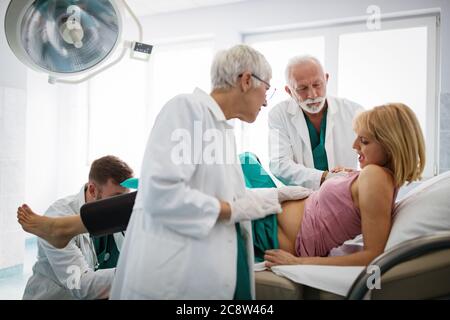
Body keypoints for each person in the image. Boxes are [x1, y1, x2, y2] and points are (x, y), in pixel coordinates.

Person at [18, 45, 311, 300]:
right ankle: (65, 227)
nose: (265, 100)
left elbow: (222, 197)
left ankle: (67, 226)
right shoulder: (187, 110)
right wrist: (234, 208)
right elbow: (162, 195)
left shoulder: (222, 130)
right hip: (170, 279)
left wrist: (274, 193)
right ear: (246, 80)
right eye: (266, 88)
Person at [20, 155, 133, 300]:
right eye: (116, 198)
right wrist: (135, 273)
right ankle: (59, 229)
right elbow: (81, 286)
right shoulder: (59, 213)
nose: (121, 206)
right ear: (92, 190)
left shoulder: (124, 214)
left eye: (125, 199)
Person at [269, 55, 364, 190]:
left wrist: (357, 177)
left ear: (326, 79)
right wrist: (325, 177)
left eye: (317, 85)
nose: (312, 95)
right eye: (302, 88)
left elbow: (373, 157)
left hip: (346, 192)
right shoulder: (278, 115)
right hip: (304, 198)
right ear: (289, 91)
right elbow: (279, 164)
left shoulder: (354, 112)